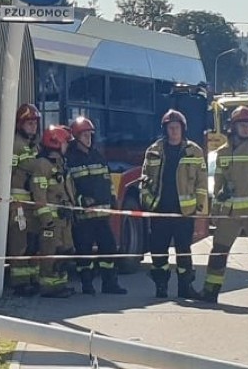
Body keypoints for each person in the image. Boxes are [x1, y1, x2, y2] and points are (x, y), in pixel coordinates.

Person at [199, 106, 248, 306]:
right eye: (242, 125)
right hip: (230, 212)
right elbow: (218, 184)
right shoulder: (223, 153)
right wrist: (216, 210)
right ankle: (210, 291)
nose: (245, 129)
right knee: (218, 252)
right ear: (233, 127)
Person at [139, 110, 208, 299]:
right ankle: (160, 286)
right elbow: (144, 180)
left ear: (183, 129)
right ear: (165, 129)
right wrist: (146, 201)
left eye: (177, 127)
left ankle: (185, 288)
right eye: (171, 128)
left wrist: (198, 206)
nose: (174, 131)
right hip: (160, 210)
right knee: (159, 251)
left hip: (184, 211)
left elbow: (202, 183)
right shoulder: (153, 150)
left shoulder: (195, 151)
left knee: (184, 251)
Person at [65, 117, 127, 295]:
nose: (88, 139)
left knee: (108, 248)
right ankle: (87, 284)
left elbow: (108, 181)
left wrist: (113, 199)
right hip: (83, 217)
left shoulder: (98, 155)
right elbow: (68, 187)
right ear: (76, 137)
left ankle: (110, 283)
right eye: (84, 135)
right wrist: (81, 201)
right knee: (84, 252)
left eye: (90, 135)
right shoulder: (70, 160)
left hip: (101, 214)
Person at [29, 125, 76, 298]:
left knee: (64, 253)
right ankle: (49, 288)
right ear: (56, 143)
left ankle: (60, 285)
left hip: (63, 220)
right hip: (52, 222)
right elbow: (39, 194)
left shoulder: (60, 163)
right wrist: (46, 219)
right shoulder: (42, 165)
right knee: (50, 254)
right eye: (65, 143)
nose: (67, 147)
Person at [7, 103, 43, 296]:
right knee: (19, 242)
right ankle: (19, 283)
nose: (33, 126)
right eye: (29, 123)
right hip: (18, 204)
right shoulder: (15, 145)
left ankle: (32, 279)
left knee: (32, 243)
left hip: (32, 203)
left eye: (35, 123)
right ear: (20, 125)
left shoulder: (35, 146)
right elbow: (8, 172)